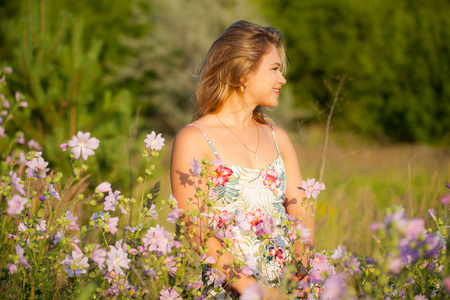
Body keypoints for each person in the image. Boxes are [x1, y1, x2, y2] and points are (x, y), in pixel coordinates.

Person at [170, 20, 314, 299]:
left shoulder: (278, 137)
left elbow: (301, 211)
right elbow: (194, 227)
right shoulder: (194, 138)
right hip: (232, 289)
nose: (282, 79)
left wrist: (301, 272)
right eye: (274, 69)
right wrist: (254, 291)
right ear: (242, 73)